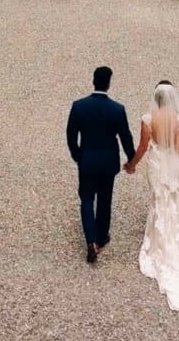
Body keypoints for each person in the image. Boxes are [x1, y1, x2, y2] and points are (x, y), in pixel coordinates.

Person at [124, 81, 179, 311]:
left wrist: (131, 164)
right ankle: (172, 242)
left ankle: (157, 241)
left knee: (158, 201)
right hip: (171, 167)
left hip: (156, 166)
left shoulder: (148, 119)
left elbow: (143, 146)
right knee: (173, 202)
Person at [66, 66, 135, 263]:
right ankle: (102, 236)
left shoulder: (79, 106)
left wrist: (78, 156)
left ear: (93, 80)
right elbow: (125, 137)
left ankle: (91, 240)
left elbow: (71, 136)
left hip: (87, 160)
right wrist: (131, 158)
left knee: (86, 199)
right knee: (105, 199)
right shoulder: (117, 109)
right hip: (108, 162)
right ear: (109, 83)